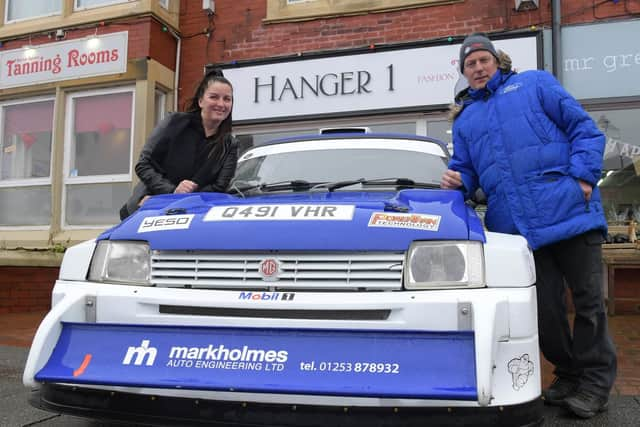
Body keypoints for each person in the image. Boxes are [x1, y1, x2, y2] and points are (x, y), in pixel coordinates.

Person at [440, 33, 617, 419]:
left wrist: (583, 180)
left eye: (483, 60)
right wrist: (458, 180)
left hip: (571, 214)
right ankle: (568, 374)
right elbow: (469, 172)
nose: (478, 68)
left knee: (588, 305)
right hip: (518, 230)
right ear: (464, 72)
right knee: (543, 310)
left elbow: (585, 130)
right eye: (470, 64)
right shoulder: (466, 119)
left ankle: (594, 383)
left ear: (497, 61)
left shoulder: (535, 83)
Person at [120, 70, 237, 220]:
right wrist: (171, 191)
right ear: (201, 101)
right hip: (148, 208)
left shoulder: (230, 145)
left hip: (193, 215)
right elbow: (144, 164)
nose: (221, 104)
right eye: (214, 97)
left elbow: (219, 187)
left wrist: (185, 196)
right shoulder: (175, 122)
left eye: (227, 99)